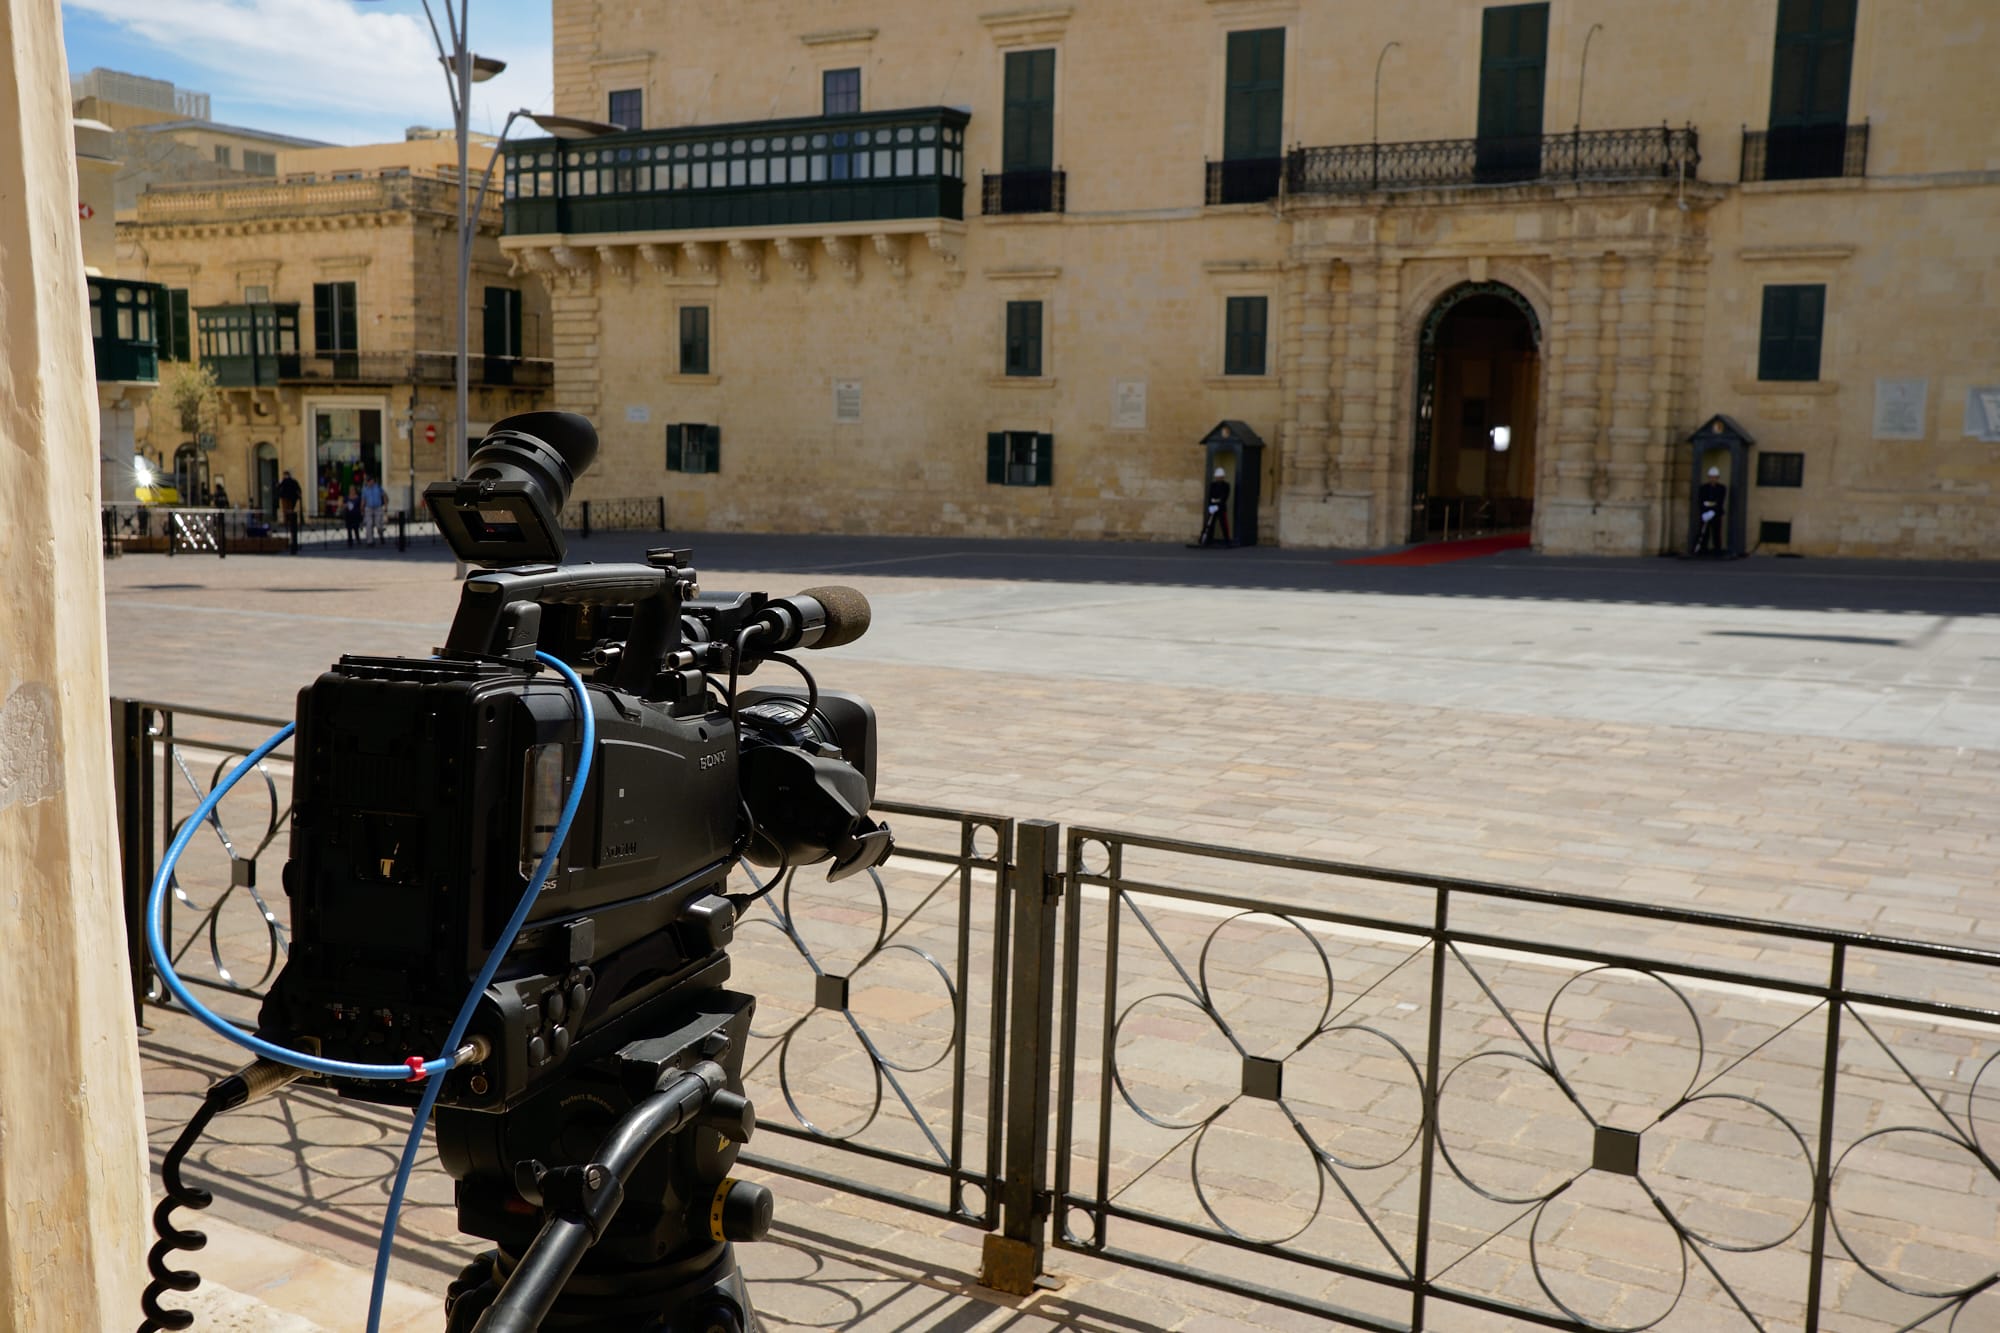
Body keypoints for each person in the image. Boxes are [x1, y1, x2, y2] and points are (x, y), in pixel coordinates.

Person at [1198, 466, 1232, 547]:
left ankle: (1227, 540)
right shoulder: (1213, 485)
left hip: (1221, 508)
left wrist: (1218, 502)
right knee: (1209, 524)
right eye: (1217, 477)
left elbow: (1224, 497)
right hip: (1213, 507)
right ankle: (1206, 539)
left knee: (1224, 524)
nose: (1219, 478)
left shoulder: (1226, 485)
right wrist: (1211, 504)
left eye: (1220, 477)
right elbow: (1210, 495)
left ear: (1223, 477)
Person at [1697, 465, 1728, 555]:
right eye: (1711, 477)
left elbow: (1719, 501)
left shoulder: (1721, 488)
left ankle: (1717, 550)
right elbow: (1701, 500)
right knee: (1704, 532)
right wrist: (1704, 511)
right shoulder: (1704, 488)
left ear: (1717, 478)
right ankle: (1703, 549)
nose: (1713, 479)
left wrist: (1713, 510)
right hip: (1705, 513)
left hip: (1716, 513)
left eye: (1714, 477)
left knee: (1716, 532)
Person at [276, 469, 303, 554]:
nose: (284, 476)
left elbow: (278, 487)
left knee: (286, 511)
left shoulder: (285, 481)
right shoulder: (292, 481)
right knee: (290, 511)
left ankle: (287, 522)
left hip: (286, 498)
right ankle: (290, 522)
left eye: (285, 475)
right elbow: (298, 489)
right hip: (291, 498)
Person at [361, 470, 387, 546]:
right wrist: (362, 509)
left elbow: (384, 496)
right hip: (368, 508)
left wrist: (385, 506)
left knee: (378, 524)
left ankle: (381, 535)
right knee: (369, 524)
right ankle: (370, 541)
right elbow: (363, 499)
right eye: (367, 481)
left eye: (370, 480)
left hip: (378, 508)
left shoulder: (378, 487)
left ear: (373, 481)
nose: (369, 482)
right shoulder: (365, 489)